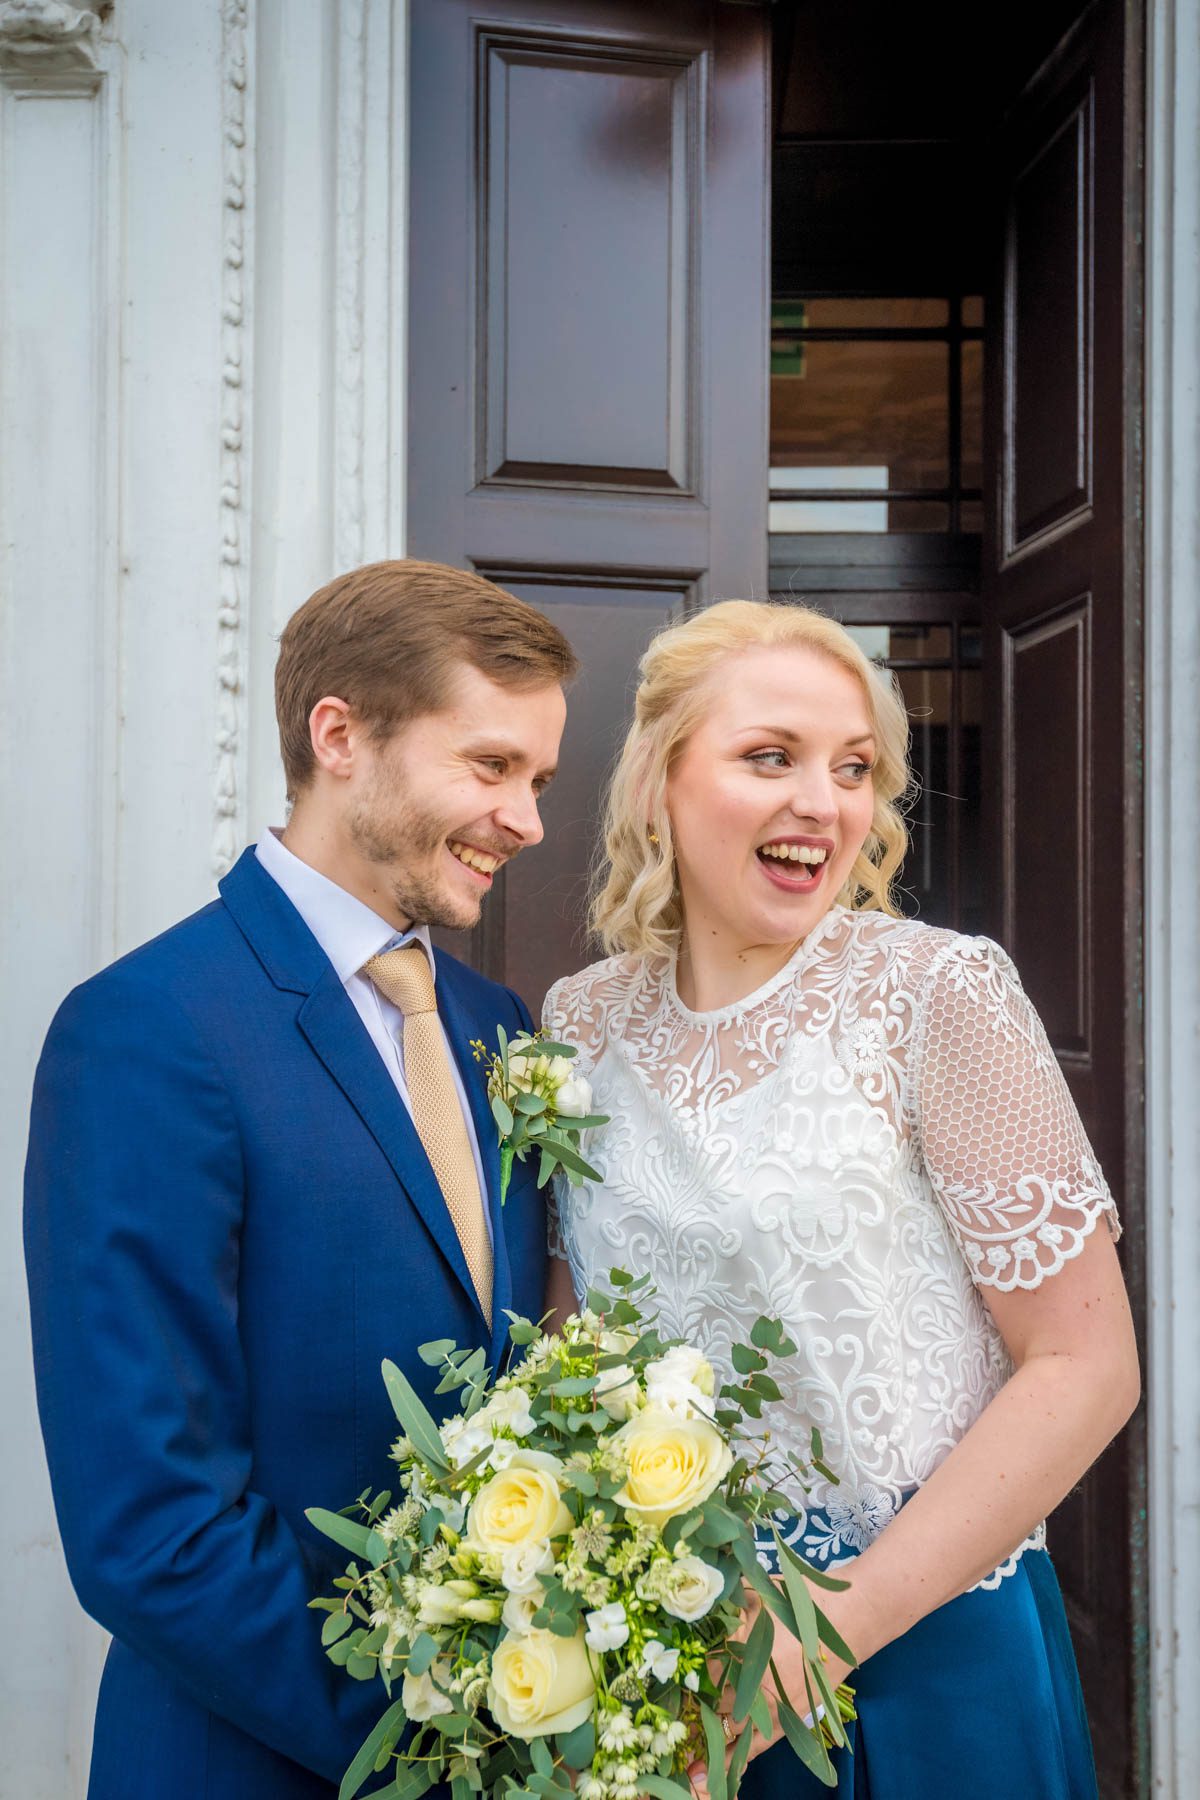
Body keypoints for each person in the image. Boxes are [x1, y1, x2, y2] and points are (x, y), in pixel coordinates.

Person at [543, 599, 1138, 1799]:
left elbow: (1086, 1367)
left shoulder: (935, 992)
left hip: (926, 1650)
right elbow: (575, 1341)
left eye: (854, 768)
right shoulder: (580, 1023)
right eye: (772, 757)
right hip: (677, 1654)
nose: (824, 801)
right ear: (662, 777)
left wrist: (814, 1643)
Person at [24, 559, 577, 1798]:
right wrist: (431, 1745)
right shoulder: (147, 1030)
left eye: (536, 780)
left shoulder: (499, 1027)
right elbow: (148, 1528)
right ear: (340, 735)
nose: (529, 819)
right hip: (254, 1756)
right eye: (491, 768)